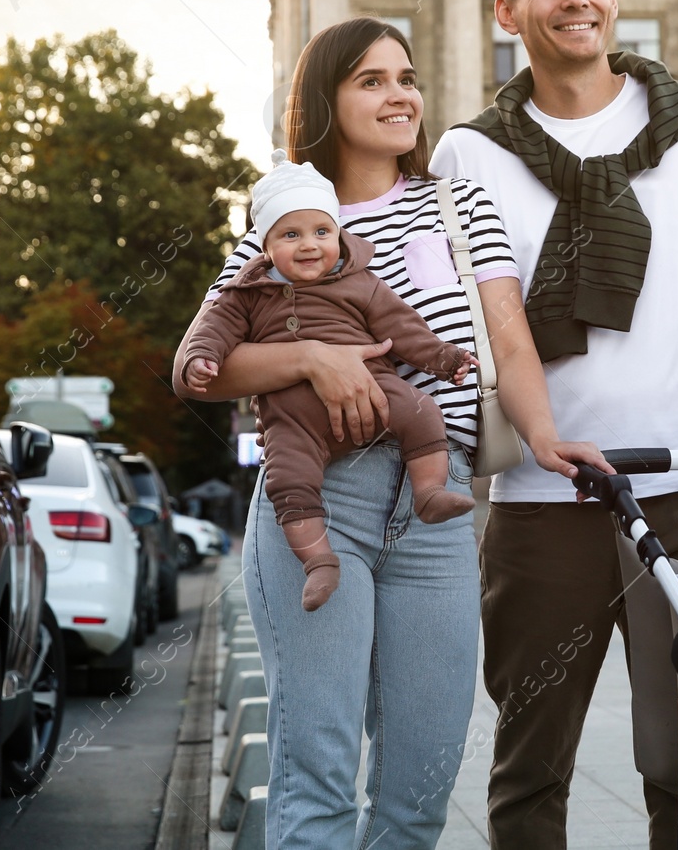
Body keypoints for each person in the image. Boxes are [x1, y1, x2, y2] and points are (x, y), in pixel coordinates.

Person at [173, 16, 606, 850]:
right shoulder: (287, 221)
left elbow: (507, 337)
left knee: (419, 791)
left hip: (436, 510)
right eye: (372, 79)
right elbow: (201, 365)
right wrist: (310, 356)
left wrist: (544, 436)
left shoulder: (457, 204)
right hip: (319, 501)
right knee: (320, 780)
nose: (400, 94)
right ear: (326, 99)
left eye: (406, 77)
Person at [430, 0, 678, 850]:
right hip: (540, 502)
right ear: (508, 11)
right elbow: (492, 322)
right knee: (529, 769)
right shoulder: (471, 154)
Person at [176, 151, 478, 611]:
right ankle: (319, 561)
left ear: (339, 233)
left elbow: (404, 329)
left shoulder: (361, 283)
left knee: (421, 411)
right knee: (288, 480)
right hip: (293, 422)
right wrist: (202, 358)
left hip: (375, 392)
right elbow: (212, 332)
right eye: (290, 235)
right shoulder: (246, 294)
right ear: (265, 246)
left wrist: (445, 358)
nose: (309, 245)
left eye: (322, 232)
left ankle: (430, 492)